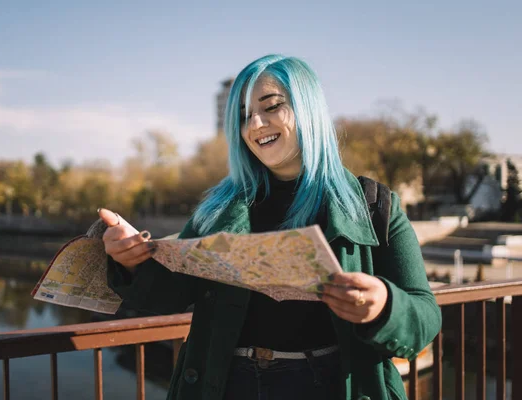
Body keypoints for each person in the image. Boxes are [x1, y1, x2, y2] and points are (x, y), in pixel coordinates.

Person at [100, 54, 441, 400]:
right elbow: (169, 294)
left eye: (271, 106)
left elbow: (425, 317)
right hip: (227, 385)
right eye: (244, 116)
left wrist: (384, 306)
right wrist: (131, 261)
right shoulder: (218, 209)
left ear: (308, 108)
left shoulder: (374, 205)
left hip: (329, 386)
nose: (256, 125)